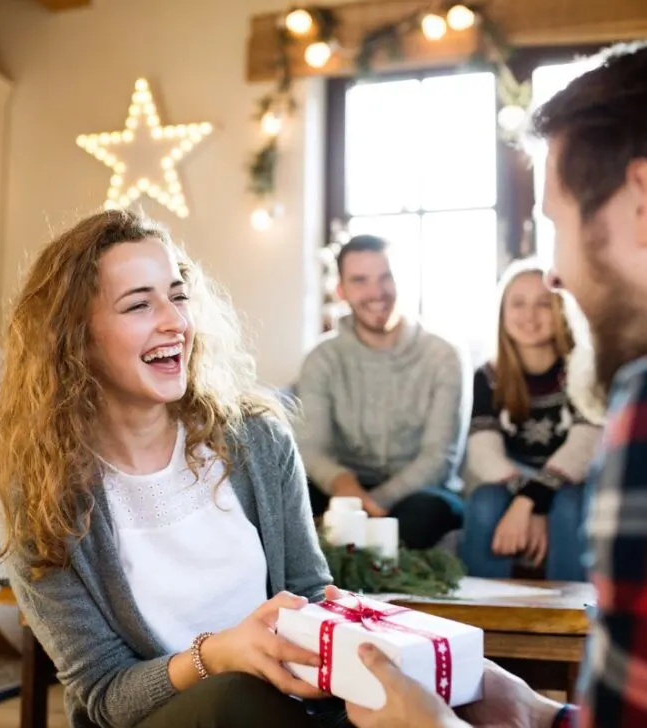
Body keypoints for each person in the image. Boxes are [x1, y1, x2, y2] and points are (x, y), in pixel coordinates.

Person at [343, 40, 647, 728]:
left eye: (558, 225)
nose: (558, 278)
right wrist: (543, 716)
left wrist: (434, 726)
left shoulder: (638, 405)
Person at [0, 209, 352, 728]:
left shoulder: (257, 439)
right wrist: (217, 656)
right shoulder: (42, 495)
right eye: (139, 304)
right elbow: (104, 694)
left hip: (290, 710)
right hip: (159, 719)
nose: (175, 321)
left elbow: (310, 595)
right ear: (76, 339)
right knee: (236, 699)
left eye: (178, 296)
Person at [295, 234, 467, 550]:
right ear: (341, 291)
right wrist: (345, 487)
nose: (377, 292)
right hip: (344, 486)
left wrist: (370, 505)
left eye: (386, 277)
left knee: (425, 512)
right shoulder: (321, 359)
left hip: (419, 492)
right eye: (360, 280)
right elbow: (313, 450)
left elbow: (438, 458)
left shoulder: (444, 356)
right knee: (291, 495)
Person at [460, 259, 601, 582]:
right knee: (484, 501)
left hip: (570, 483)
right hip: (509, 480)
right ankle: (482, 614)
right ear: (502, 312)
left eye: (543, 304)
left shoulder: (584, 368)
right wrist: (528, 499)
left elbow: (584, 446)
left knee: (567, 504)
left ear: (562, 310)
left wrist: (532, 501)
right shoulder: (488, 376)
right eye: (518, 304)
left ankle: (572, 618)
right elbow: (484, 454)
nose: (529, 315)